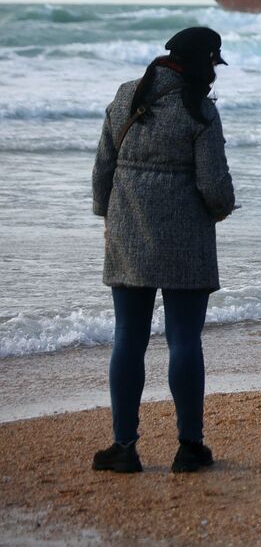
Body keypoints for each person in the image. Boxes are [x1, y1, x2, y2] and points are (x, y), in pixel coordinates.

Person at [90, 26, 236, 474]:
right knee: (184, 341)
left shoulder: (128, 96)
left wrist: (109, 217)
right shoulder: (200, 111)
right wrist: (223, 207)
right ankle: (190, 447)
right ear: (203, 62)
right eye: (214, 63)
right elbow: (214, 187)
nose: (214, 73)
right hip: (185, 242)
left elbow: (102, 170)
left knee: (128, 341)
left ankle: (124, 447)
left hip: (128, 234)